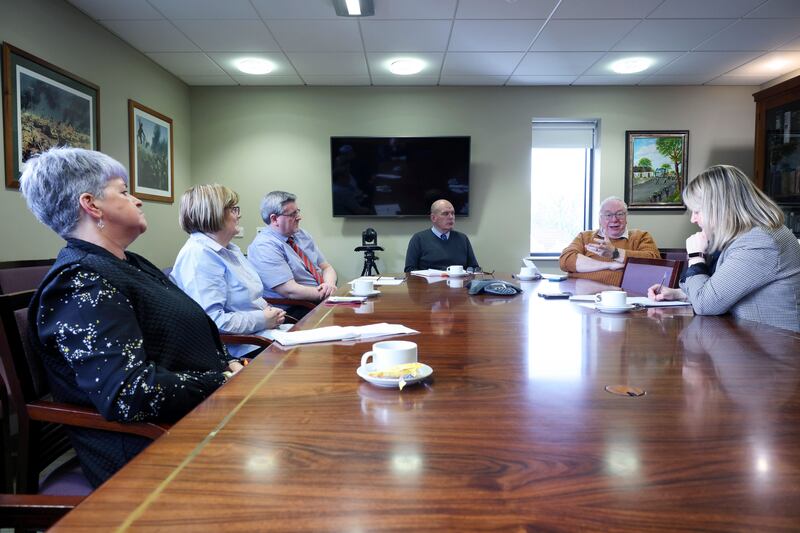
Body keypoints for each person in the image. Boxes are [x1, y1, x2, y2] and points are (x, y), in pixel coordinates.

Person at [19, 147, 242, 487]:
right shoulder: (80, 283)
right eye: (123, 191)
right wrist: (223, 381)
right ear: (91, 205)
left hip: (199, 420)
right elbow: (131, 393)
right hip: (150, 454)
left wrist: (228, 369)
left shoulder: (128, 263)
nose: (137, 200)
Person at [648, 165, 800, 332]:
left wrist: (696, 256)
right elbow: (721, 291)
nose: (693, 219)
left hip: (776, 350)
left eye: (697, 211)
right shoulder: (750, 236)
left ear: (720, 208)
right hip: (748, 341)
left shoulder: (760, 242)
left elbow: (705, 305)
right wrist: (678, 294)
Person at [170, 184, 286, 357]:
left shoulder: (230, 249)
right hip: (242, 349)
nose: (239, 215)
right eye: (233, 209)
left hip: (264, 335)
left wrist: (269, 312)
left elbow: (250, 299)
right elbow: (213, 321)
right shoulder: (198, 256)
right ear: (213, 213)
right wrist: (262, 319)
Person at [247, 191, 337, 319]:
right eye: (293, 214)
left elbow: (326, 267)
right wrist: (328, 294)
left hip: (321, 298)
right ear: (274, 219)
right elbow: (290, 290)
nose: (299, 217)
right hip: (296, 308)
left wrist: (330, 285)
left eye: (297, 211)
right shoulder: (264, 246)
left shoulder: (301, 234)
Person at [559, 196, 660, 286]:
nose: (614, 219)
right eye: (608, 215)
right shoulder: (585, 236)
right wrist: (609, 265)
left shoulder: (640, 236)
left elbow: (654, 261)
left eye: (620, 214)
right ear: (600, 219)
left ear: (626, 217)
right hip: (579, 295)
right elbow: (566, 261)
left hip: (621, 297)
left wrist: (615, 253)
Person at [404, 199, 480, 272]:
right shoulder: (418, 239)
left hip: (458, 284)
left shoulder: (462, 238)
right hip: (428, 284)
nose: (451, 217)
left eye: (452, 213)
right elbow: (409, 270)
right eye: (445, 213)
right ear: (433, 218)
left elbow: (474, 268)